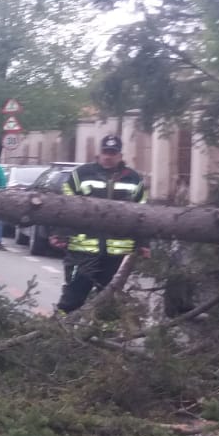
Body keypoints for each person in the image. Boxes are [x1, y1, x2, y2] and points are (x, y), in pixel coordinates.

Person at [51, 134, 149, 314]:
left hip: (116, 253)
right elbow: (64, 207)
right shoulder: (82, 174)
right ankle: (61, 333)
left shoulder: (133, 179)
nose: (108, 156)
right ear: (99, 153)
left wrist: (143, 243)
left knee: (109, 302)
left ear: (120, 155)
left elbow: (142, 215)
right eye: (105, 152)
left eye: (113, 152)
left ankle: (103, 337)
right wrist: (61, 233)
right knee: (73, 297)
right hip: (82, 250)